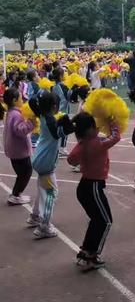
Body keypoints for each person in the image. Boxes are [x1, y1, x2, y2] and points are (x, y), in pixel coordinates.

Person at [67, 113, 120, 271]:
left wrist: (82, 145)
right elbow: (115, 137)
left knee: (97, 220)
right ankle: (92, 255)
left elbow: (71, 160)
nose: (97, 128)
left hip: (84, 187)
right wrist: (113, 122)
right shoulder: (97, 142)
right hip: (93, 187)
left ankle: (85, 252)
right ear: (89, 129)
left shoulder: (83, 143)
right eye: (94, 126)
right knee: (105, 221)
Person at [29, 91, 72, 239]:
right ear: (54, 106)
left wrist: (41, 95)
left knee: (43, 188)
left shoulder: (42, 114)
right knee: (51, 193)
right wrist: (67, 120)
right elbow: (63, 131)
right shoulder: (50, 121)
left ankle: (34, 216)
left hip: (39, 159)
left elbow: (31, 101)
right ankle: (44, 227)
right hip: (45, 163)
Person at [1, 88, 36, 205]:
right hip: (19, 152)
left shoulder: (11, 112)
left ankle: (16, 194)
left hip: (14, 150)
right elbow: (19, 131)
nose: (23, 100)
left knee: (22, 174)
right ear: (15, 100)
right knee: (25, 173)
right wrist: (31, 122)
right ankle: (15, 195)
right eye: (21, 98)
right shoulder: (16, 114)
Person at [51, 67, 70, 157]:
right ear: (61, 76)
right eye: (64, 73)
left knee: (58, 130)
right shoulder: (63, 87)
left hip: (55, 111)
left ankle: (58, 148)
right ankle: (62, 148)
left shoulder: (53, 87)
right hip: (63, 111)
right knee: (64, 130)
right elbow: (68, 98)